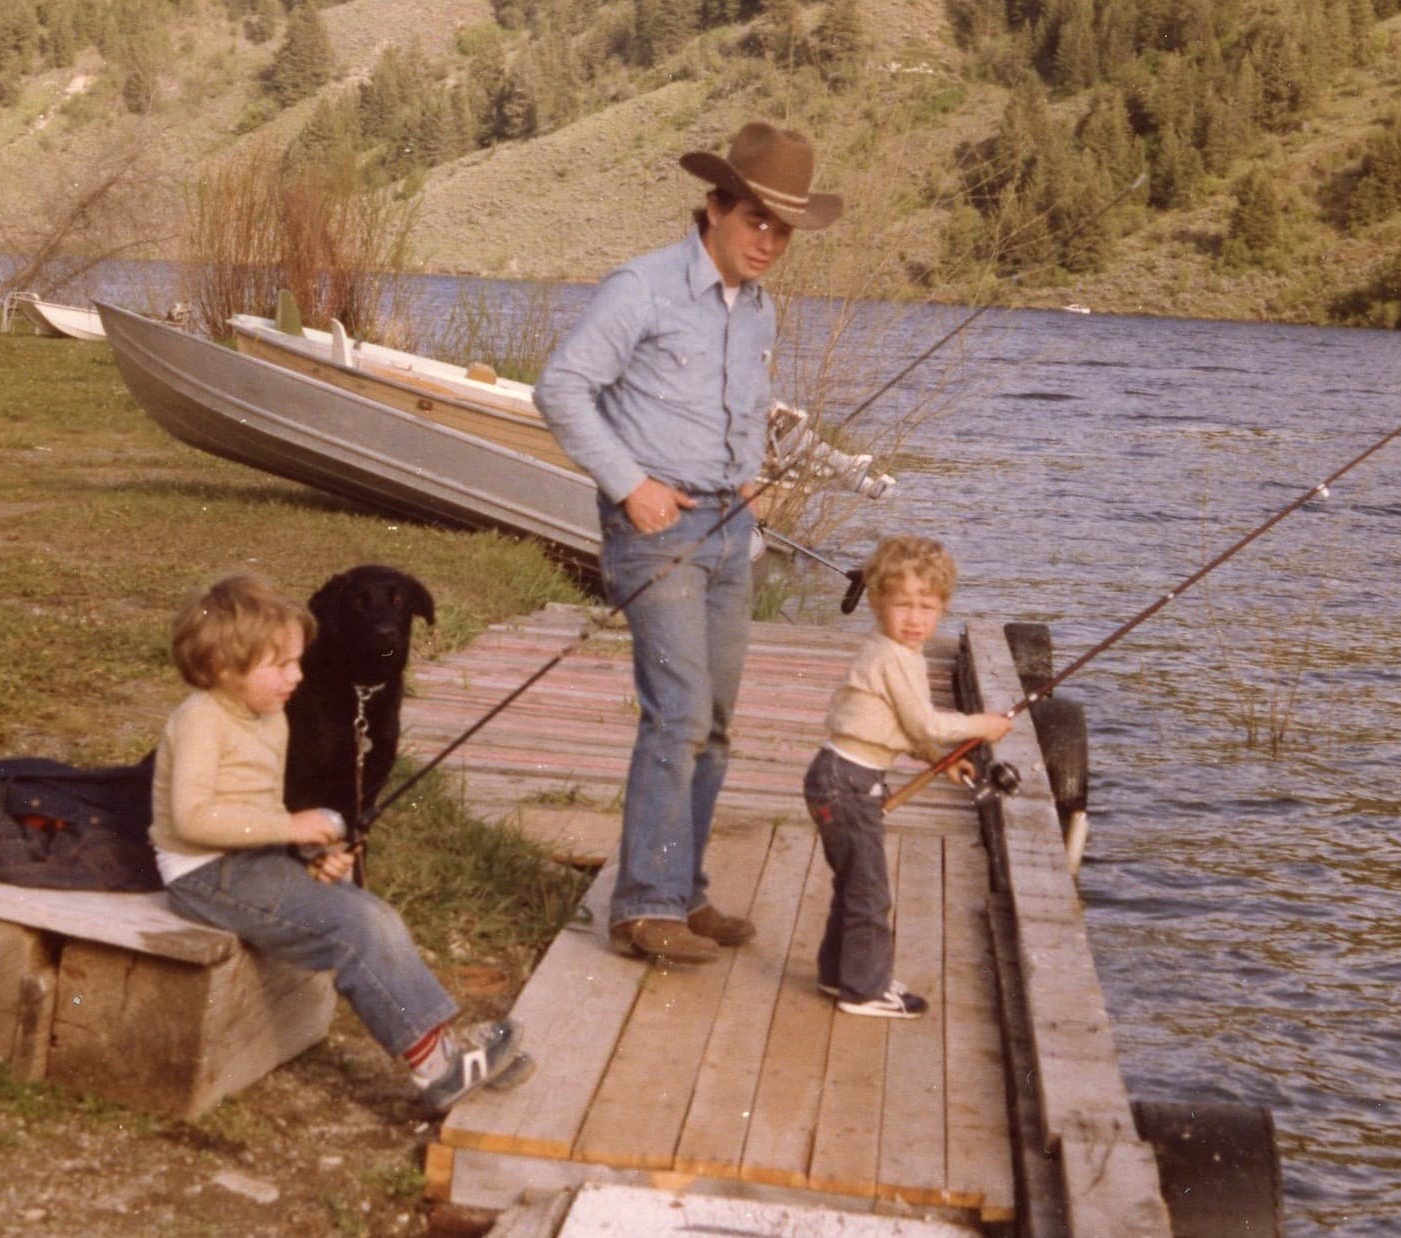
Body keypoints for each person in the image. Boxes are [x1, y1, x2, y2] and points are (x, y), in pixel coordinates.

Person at [534, 121, 843, 966]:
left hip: (728, 529)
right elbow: (560, 388)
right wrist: (629, 485)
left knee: (713, 719)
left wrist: (746, 477)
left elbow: (743, 407)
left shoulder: (759, 307)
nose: (769, 242)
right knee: (674, 716)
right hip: (652, 529)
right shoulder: (641, 288)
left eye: (782, 229)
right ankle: (642, 907)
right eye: (756, 221)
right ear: (713, 206)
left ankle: (685, 889)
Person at [152, 573, 532, 1112]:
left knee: (373, 913)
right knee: (357, 928)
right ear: (222, 668)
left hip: (251, 861)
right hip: (205, 874)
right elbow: (191, 819)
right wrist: (292, 829)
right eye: (281, 665)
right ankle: (436, 1068)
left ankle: (443, 1045)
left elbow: (259, 805)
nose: (297, 676)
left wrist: (312, 854)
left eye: (299, 662)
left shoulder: (269, 714)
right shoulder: (200, 721)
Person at [804, 536, 1013, 1016]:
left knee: (855, 883)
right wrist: (984, 725)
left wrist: (939, 757)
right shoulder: (890, 656)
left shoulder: (901, 654)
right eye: (903, 605)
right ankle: (865, 990)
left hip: (846, 776)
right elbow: (925, 720)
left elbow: (907, 727)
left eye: (928, 606)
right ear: (877, 601)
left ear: (943, 608)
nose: (916, 618)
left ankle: (841, 974)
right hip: (847, 781)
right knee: (870, 892)